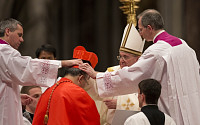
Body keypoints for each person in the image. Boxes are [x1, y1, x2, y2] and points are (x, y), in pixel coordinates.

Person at [79, 9, 200, 125]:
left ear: (149, 28)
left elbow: (132, 76)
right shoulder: (184, 45)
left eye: (141, 29)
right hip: (191, 104)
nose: (140, 33)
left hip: (172, 105)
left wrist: (97, 75)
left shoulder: (156, 51)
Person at [0, 18, 82, 125]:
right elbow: (28, 67)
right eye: (19, 35)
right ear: (7, 31)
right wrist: (63, 63)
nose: (22, 40)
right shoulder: (4, 51)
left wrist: (16, 97)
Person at [32, 46, 100, 125]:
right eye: (87, 81)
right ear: (81, 78)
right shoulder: (79, 93)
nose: (85, 85)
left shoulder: (48, 91)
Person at [94, 23, 144, 124]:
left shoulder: (143, 75)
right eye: (120, 56)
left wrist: (119, 104)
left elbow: (149, 104)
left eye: (126, 57)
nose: (122, 60)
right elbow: (98, 95)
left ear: (137, 59)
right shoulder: (111, 72)